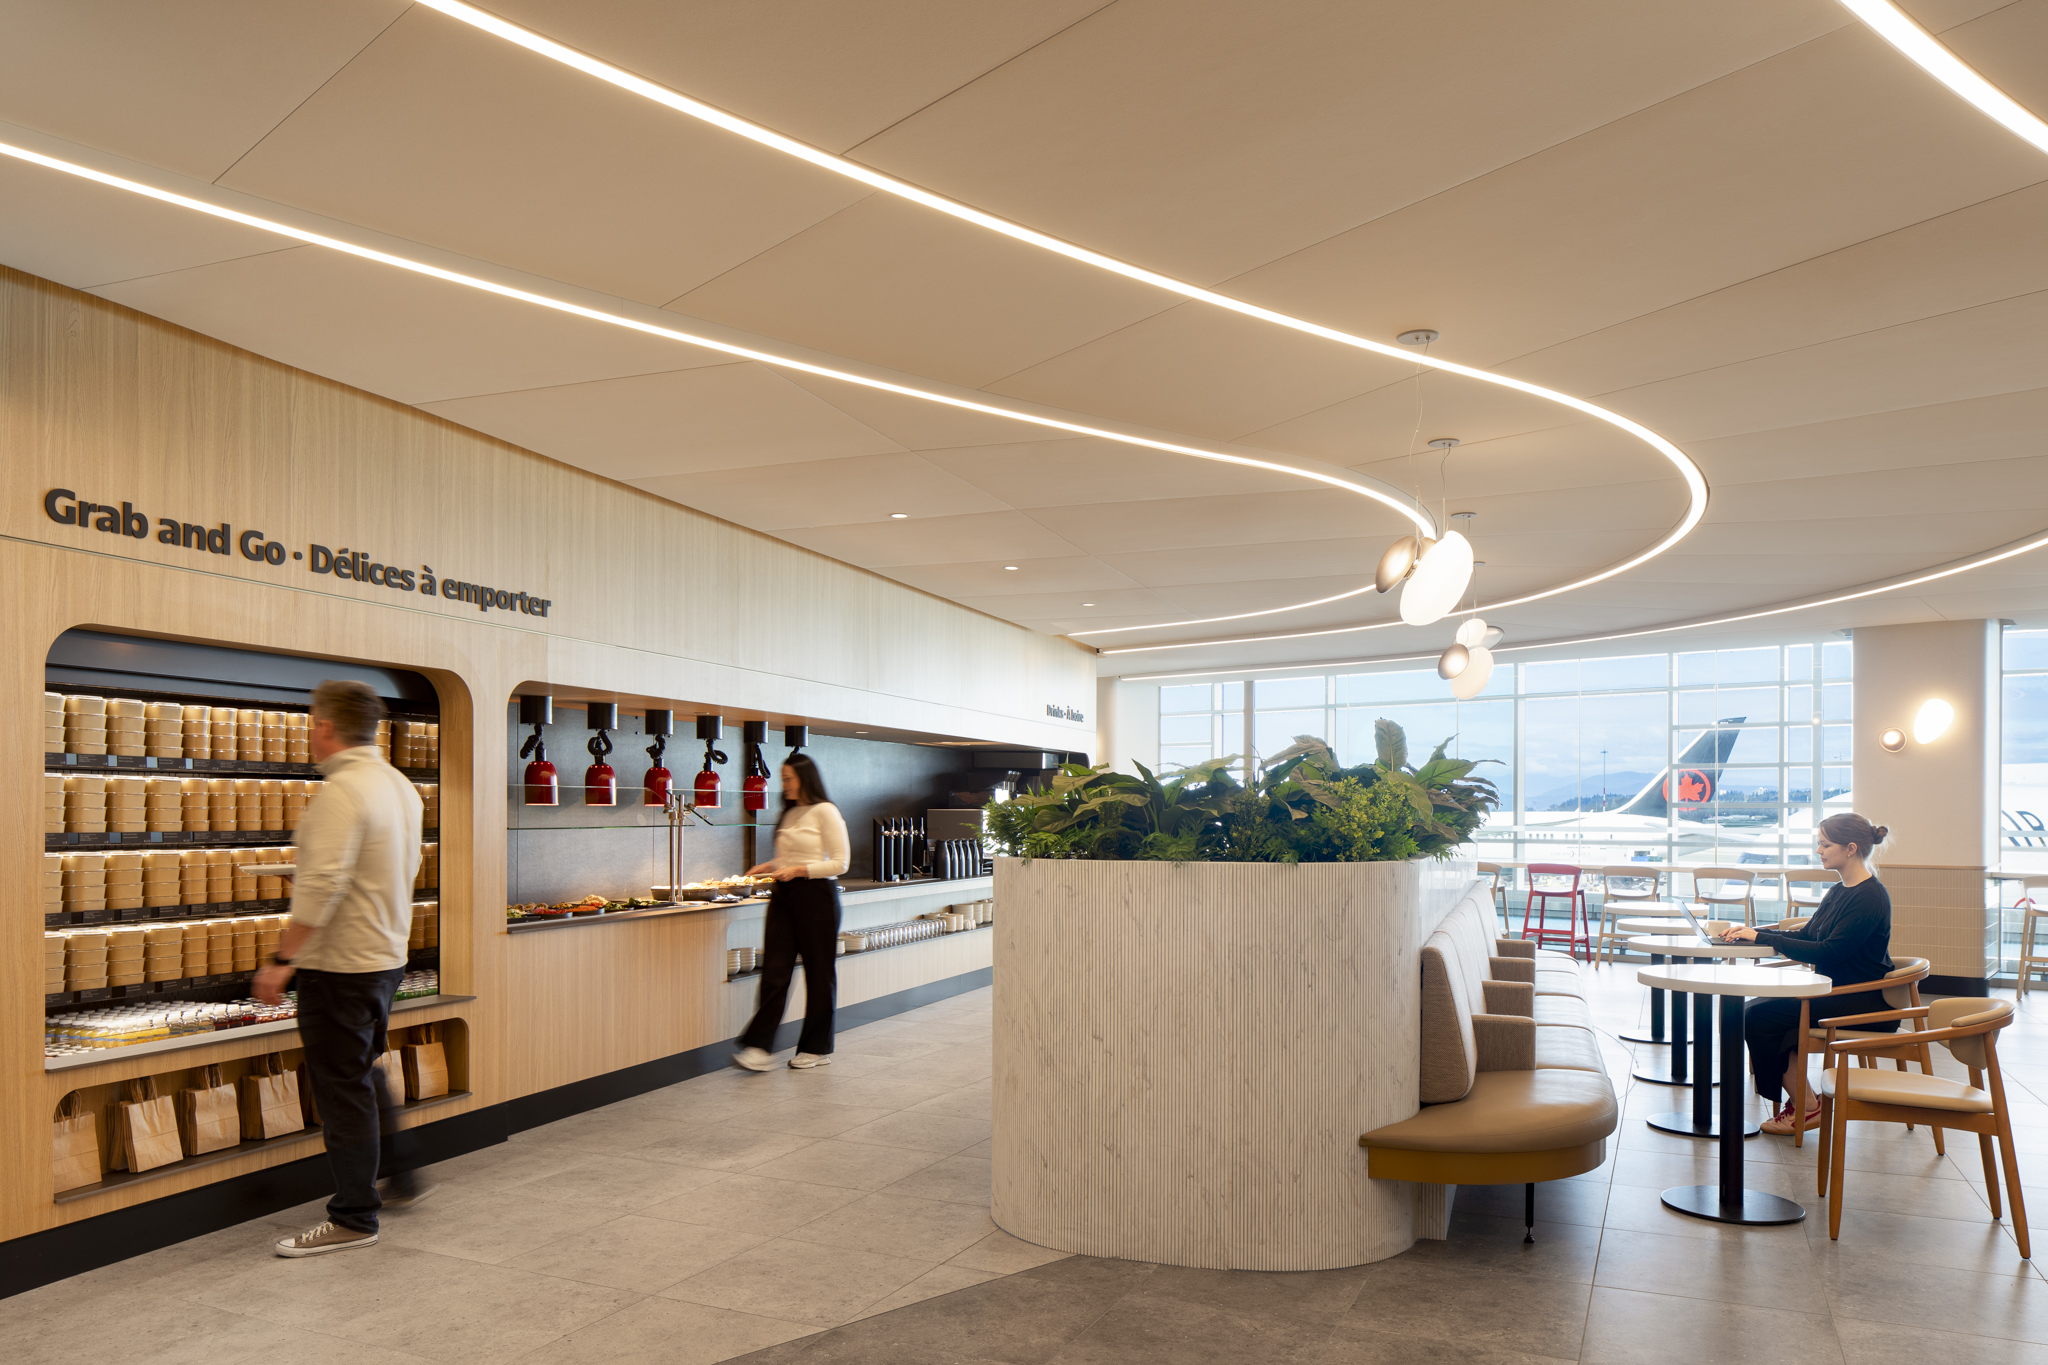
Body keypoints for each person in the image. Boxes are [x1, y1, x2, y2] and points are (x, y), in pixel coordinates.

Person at [255, 680, 427, 1256]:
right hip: (384, 957)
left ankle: (353, 1217)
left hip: (340, 965)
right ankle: (399, 1173)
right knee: (361, 1070)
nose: (311, 732)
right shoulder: (398, 785)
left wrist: (282, 960)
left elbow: (323, 888)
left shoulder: (341, 792)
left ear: (326, 727)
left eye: (313, 723)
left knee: (341, 1089)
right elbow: (393, 868)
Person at [1721, 813, 1898, 1136]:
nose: (1819, 851)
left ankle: (1806, 1106)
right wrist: (1754, 934)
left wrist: (1761, 938)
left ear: (1850, 849)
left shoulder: (1869, 897)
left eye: (1825, 845)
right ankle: (1806, 1103)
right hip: (1835, 992)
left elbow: (1828, 952)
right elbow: (1807, 936)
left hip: (1862, 1001)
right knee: (1757, 1012)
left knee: (1756, 1016)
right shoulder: (1841, 890)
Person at [733, 754, 849, 1072]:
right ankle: (759, 1047)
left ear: (804, 778)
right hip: (784, 895)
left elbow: (840, 863)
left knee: (819, 974)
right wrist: (770, 866)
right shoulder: (790, 812)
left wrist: (798, 870)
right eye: (783, 779)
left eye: (788, 779)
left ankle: (816, 1048)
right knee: (775, 971)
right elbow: (791, 857)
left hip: (817, 896)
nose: (783, 785)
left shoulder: (826, 810)